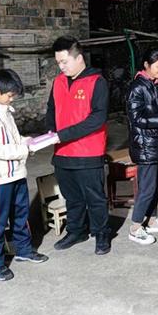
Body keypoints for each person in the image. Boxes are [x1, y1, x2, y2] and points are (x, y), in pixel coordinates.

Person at [0, 69, 48, 281]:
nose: (11, 98)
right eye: (9, 94)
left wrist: (28, 141)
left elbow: (12, 138)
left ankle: (24, 250)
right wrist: (22, 150)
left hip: (16, 173)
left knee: (21, 215)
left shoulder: (5, 110)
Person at [46, 36, 111, 255]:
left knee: (95, 198)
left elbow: (97, 119)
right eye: (58, 62)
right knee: (71, 197)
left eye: (64, 61)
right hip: (62, 152)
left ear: (79, 58)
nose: (61, 66)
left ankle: (101, 233)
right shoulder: (58, 82)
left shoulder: (97, 82)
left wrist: (62, 135)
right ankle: (76, 231)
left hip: (88, 153)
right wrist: (50, 131)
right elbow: (51, 109)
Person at [126, 49, 158, 245]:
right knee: (147, 188)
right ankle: (135, 227)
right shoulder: (137, 88)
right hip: (146, 146)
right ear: (146, 65)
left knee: (157, 185)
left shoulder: (157, 86)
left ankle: (151, 219)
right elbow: (136, 119)